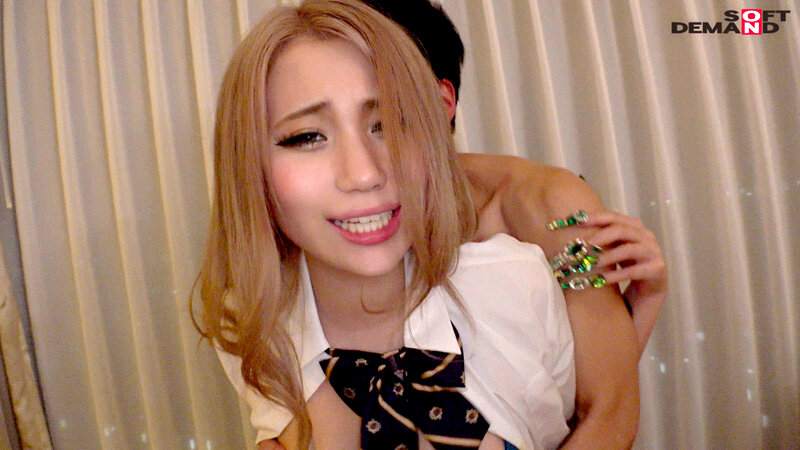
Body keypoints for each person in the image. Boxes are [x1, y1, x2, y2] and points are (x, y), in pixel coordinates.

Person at [193, 0, 638, 448]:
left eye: (390, 122)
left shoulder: (528, 254)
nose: (364, 174)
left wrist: (642, 303)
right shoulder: (251, 318)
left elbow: (604, 404)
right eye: (307, 137)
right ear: (248, 166)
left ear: (439, 106)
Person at [360, 0, 668, 358]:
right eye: (314, 133)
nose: (355, 159)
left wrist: (648, 297)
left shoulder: (548, 207)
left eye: (381, 121)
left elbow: (603, 387)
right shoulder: (324, 214)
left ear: (442, 103)